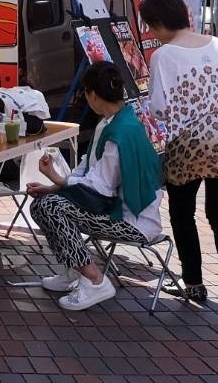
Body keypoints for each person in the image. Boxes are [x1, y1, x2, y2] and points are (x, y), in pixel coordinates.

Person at [138, 0, 218, 314]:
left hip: (187, 141)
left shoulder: (164, 55)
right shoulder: (217, 44)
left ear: (159, 23)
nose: (152, 33)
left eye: (151, 26)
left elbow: (160, 107)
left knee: (182, 212)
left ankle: (194, 282)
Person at [27, 62, 163, 311]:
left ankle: (95, 280)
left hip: (132, 221)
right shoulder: (116, 120)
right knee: (43, 204)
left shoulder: (120, 131)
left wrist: (58, 180)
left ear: (92, 94)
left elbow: (99, 188)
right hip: (118, 209)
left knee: (49, 208)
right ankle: (74, 270)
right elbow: (88, 168)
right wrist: (55, 186)